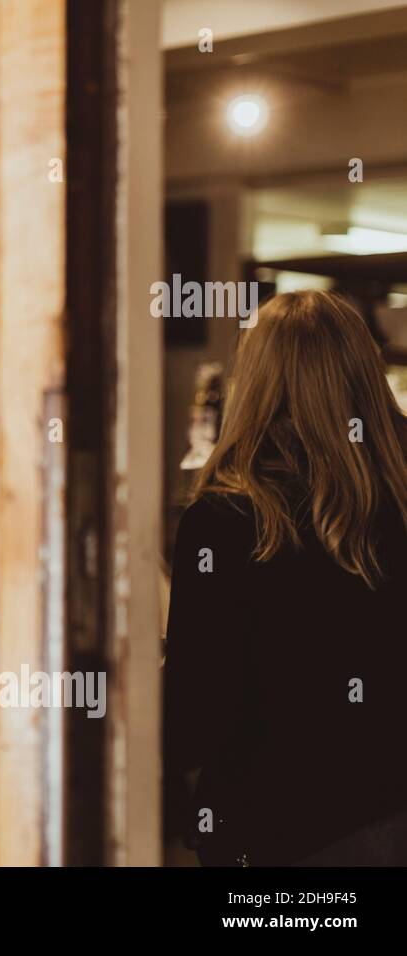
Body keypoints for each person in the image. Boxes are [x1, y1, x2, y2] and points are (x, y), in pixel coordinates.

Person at [164, 289, 407, 866]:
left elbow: (197, 717)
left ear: (254, 383)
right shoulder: (397, 502)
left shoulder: (226, 519)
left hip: (280, 833)